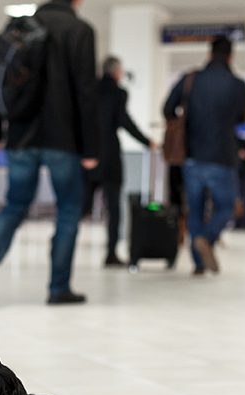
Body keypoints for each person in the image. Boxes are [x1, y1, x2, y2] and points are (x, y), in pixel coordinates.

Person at [0, 0, 99, 305]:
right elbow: (86, 91)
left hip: (20, 137)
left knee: (15, 204)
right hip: (63, 139)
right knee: (68, 210)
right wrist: (91, 147)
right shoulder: (80, 31)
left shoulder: (17, 28)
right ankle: (58, 288)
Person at [163, 36, 245, 275]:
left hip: (192, 155)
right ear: (231, 56)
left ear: (209, 53)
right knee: (227, 208)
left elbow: (168, 108)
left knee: (196, 208)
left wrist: (185, 123)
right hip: (223, 156)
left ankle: (199, 263)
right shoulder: (237, 84)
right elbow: (242, 116)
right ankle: (207, 239)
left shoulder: (191, 79)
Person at [85, 56, 154, 267]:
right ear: (116, 72)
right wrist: (146, 141)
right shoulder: (119, 93)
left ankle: (59, 246)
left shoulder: (89, 90)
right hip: (110, 157)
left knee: (77, 206)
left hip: (88, 154)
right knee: (114, 209)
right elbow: (124, 121)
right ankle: (111, 253)